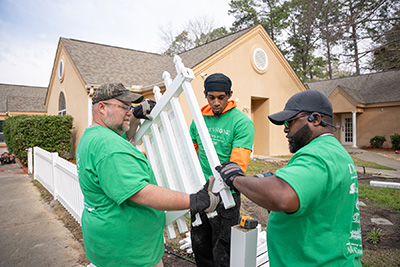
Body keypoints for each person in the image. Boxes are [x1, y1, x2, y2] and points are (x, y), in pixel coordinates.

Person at [76, 82, 218, 267]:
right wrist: (194, 201)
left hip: (109, 244)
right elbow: (140, 192)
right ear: (102, 107)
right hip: (129, 254)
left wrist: (134, 116)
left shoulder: (94, 136)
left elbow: (125, 139)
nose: (129, 111)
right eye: (124, 107)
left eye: (131, 107)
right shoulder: (108, 148)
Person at [216, 90, 363, 266]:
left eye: (290, 121)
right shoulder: (334, 151)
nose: (285, 128)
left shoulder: (318, 154)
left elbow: (283, 197)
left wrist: (235, 179)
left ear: (315, 119)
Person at [189, 73, 255, 266]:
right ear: (205, 95)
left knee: (223, 248)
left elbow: (237, 165)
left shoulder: (241, 123)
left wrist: (220, 190)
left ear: (230, 94)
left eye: (221, 97)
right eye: (211, 97)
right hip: (200, 191)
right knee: (200, 243)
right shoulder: (198, 121)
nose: (216, 102)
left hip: (226, 195)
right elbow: (191, 153)